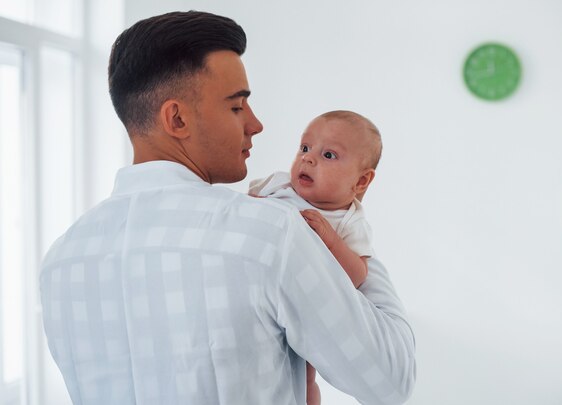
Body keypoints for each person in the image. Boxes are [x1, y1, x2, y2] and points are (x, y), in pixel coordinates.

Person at [39, 10, 416, 405]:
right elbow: (391, 379)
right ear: (177, 118)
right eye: (237, 107)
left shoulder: (61, 260)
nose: (256, 124)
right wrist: (351, 223)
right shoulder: (271, 233)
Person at [249, 110, 383, 404]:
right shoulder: (277, 185)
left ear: (361, 182)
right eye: (305, 148)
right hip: (264, 296)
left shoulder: (348, 220)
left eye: (329, 155)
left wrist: (330, 239)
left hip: (307, 308)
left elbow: (358, 275)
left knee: (303, 376)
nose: (308, 159)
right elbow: (244, 210)